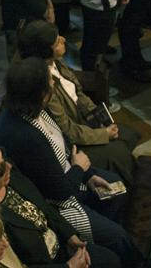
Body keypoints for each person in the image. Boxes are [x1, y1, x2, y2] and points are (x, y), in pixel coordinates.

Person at [0, 57, 151, 267]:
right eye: (49, 84)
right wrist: (80, 168)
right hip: (58, 202)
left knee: (117, 189)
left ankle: (99, 239)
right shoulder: (22, 134)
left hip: (71, 174)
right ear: (39, 94)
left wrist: (88, 175)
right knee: (118, 237)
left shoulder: (33, 108)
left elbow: (64, 140)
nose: (53, 84)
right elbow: (58, 192)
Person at [0, 146, 120, 268]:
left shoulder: (11, 178)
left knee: (111, 258)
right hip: (50, 263)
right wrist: (69, 266)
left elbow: (44, 207)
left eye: (5, 158)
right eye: (0, 168)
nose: (8, 166)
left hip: (62, 245)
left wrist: (70, 236)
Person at [19, 20, 138, 184]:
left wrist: (99, 117)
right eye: (57, 41)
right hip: (71, 143)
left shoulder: (57, 62)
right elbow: (67, 130)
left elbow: (78, 93)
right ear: (45, 51)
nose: (64, 40)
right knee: (118, 154)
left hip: (83, 123)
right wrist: (103, 134)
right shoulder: (44, 85)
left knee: (127, 134)